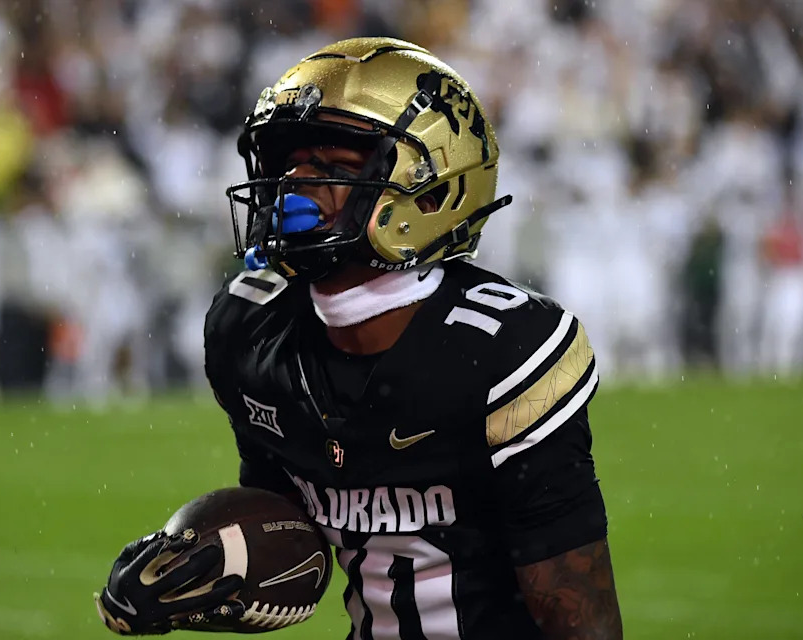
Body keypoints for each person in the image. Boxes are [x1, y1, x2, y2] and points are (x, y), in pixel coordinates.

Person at [95, 37, 622, 639]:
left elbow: (577, 610)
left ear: (430, 189)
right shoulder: (250, 330)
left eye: (334, 167)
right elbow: (294, 542)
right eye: (290, 163)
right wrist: (207, 565)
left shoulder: (503, 347)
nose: (294, 185)